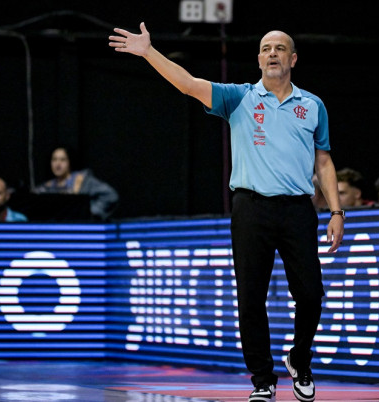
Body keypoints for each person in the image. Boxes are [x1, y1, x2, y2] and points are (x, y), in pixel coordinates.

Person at [109, 23, 344, 402]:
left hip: (298, 208)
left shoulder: (313, 105)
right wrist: (148, 52)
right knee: (251, 297)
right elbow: (188, 84)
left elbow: (324, 160)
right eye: (265, 48)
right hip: (251, 207)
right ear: (258, 59)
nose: (272, 53)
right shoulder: (239, 97)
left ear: (293, 58)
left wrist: (336, 212)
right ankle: (263, 379)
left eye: (280, 48)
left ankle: (300, 359)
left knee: (311, 293)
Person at [35, 146, 119, 221]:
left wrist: (89, 212)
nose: (58, 164)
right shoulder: (46, 187)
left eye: (63, 160)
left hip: (79, 228)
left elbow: (111, 196)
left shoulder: (83, 181)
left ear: (70, 162)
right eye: (54, 159)